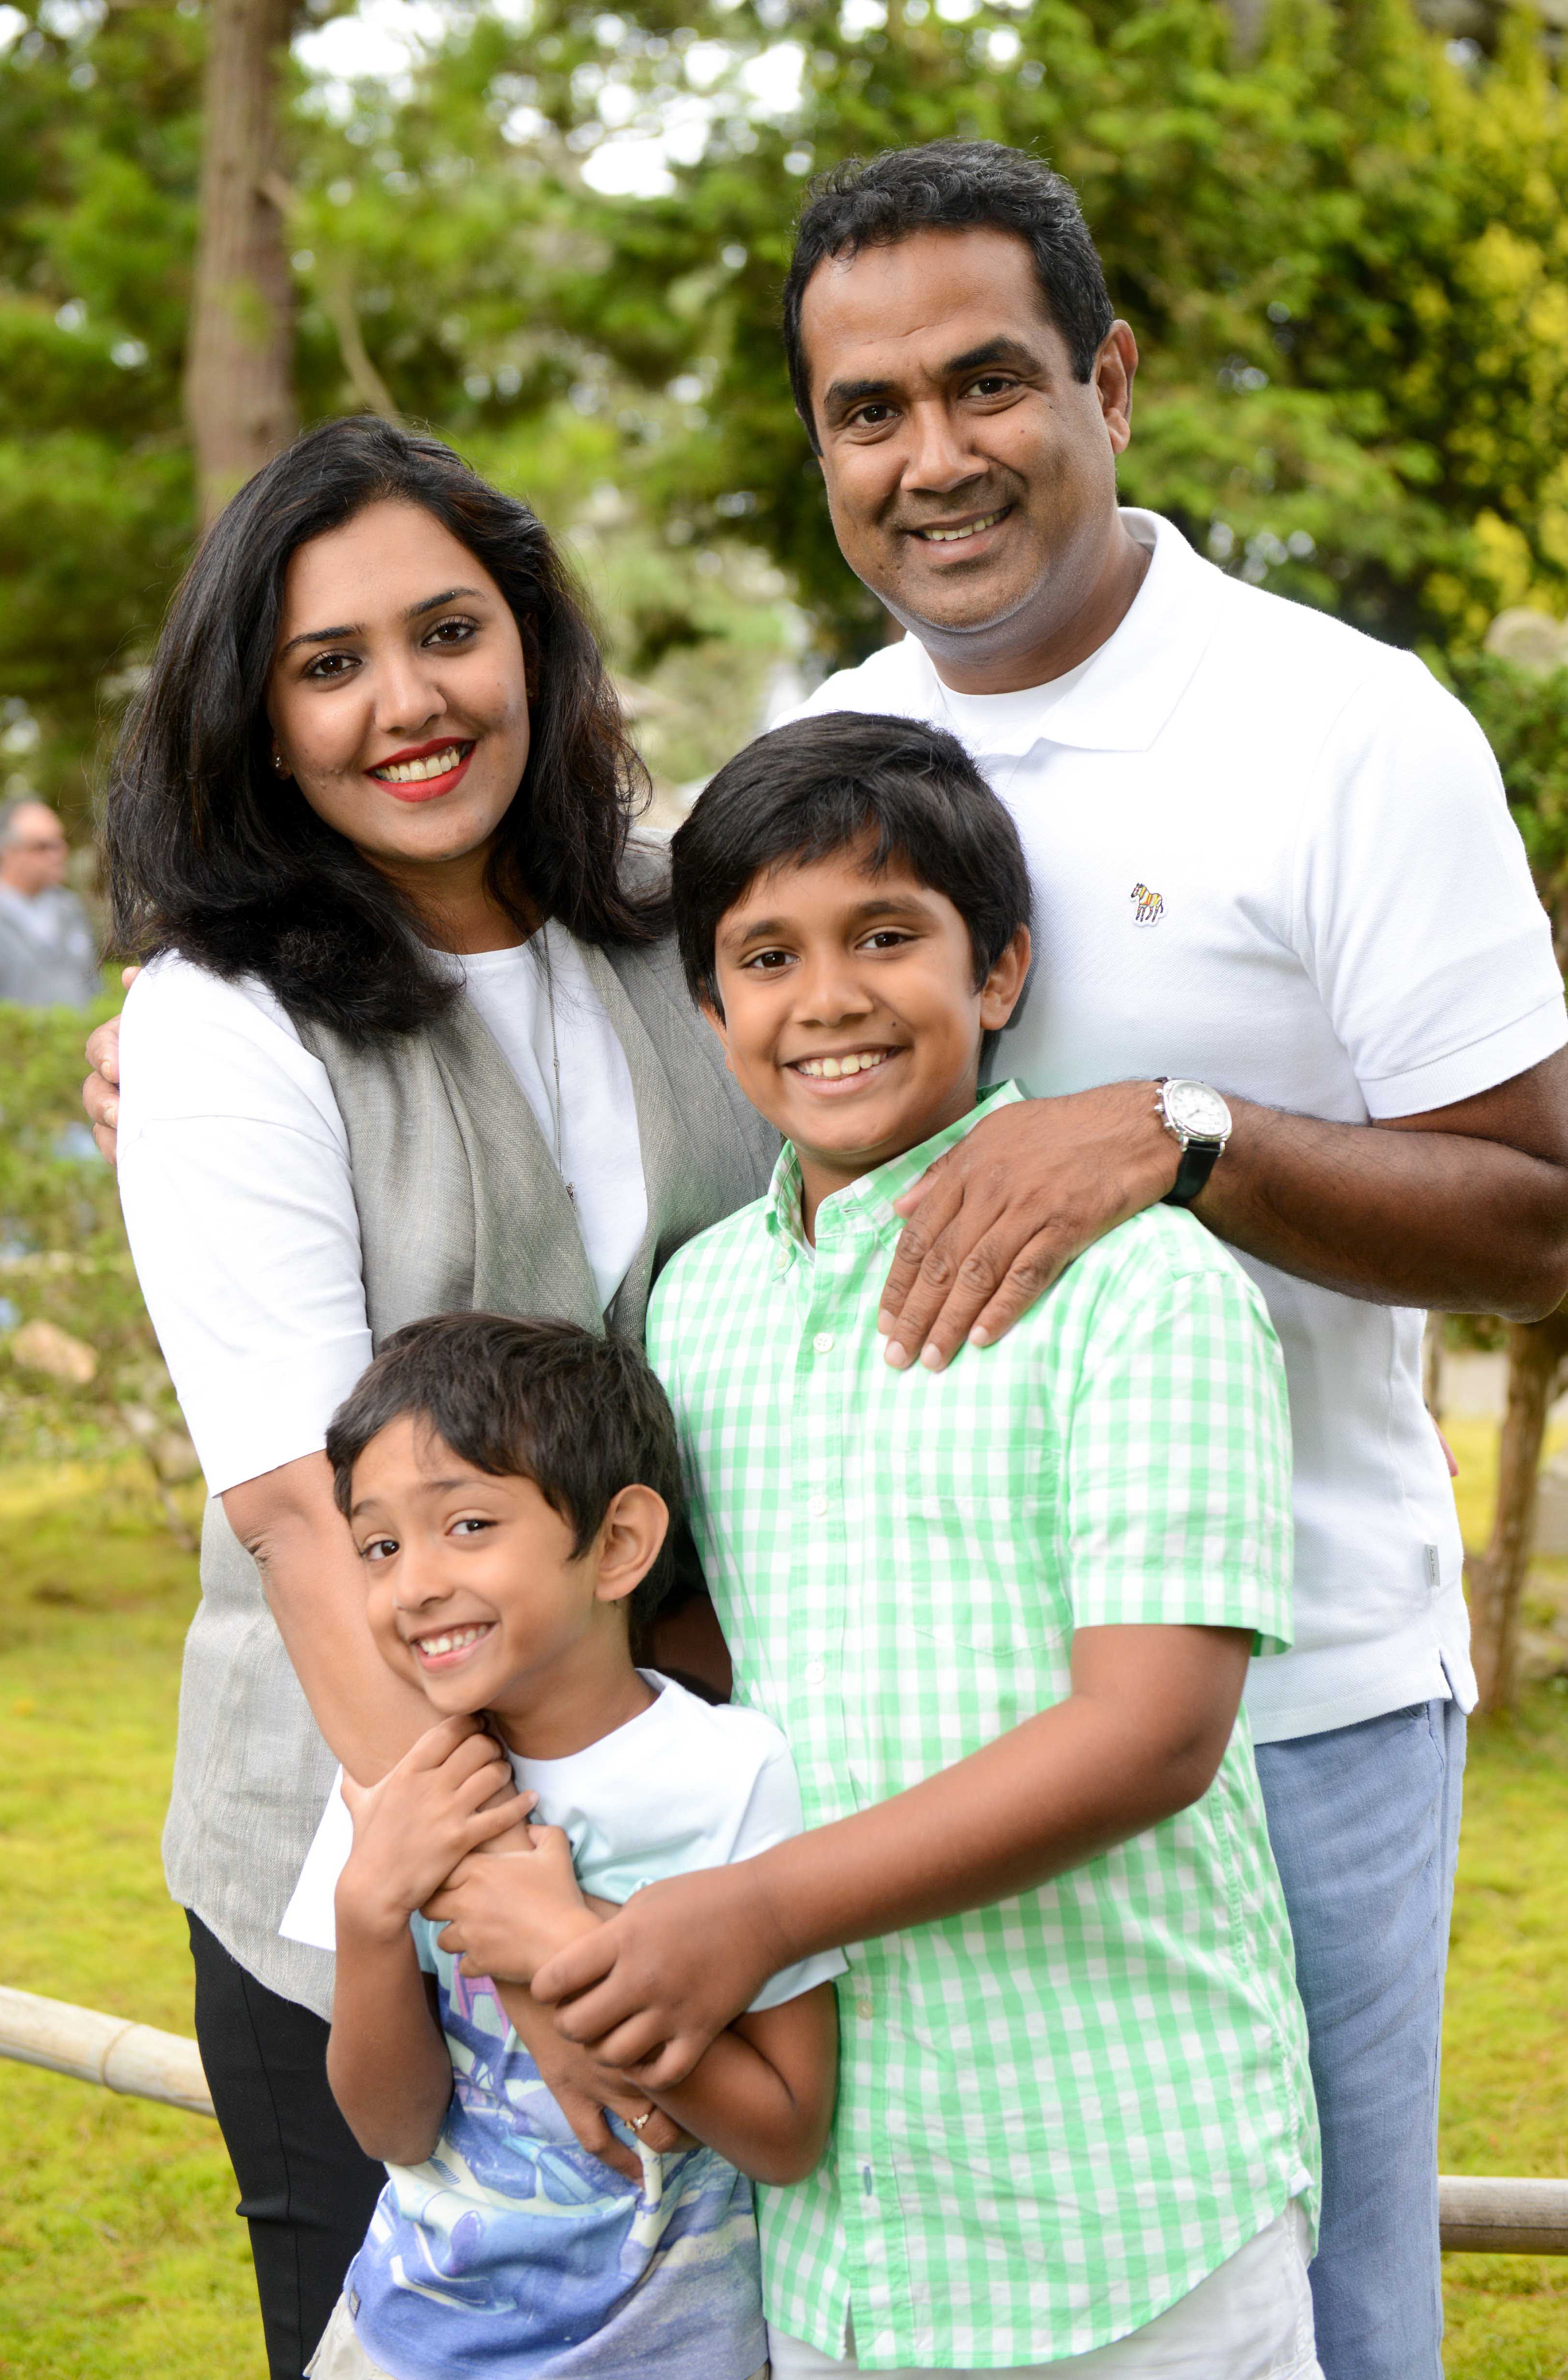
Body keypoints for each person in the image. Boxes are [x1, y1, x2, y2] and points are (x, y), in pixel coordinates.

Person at [92, 413, 1032, 2380]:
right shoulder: (219, 1020)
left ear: (532, 641)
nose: (405, 703)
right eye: (326, 666)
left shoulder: (669, 909)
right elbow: (291, 1510)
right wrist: (513, 1924)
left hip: (710, 1826)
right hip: (379, 1875)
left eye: (449, 631)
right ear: (255, 723)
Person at [759, 142, 1568, 2379]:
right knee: (943, 2307)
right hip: (900, 1737)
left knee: (1311, 2312)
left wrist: (1186, 1135)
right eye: (865, 409)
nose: (932, 458)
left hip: (1285, 1718)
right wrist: (228, 1022)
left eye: (986, 383)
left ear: (1109, 383)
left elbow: (1539, 1215)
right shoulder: (807, 753)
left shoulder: (1346, 729)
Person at [465, 711, 1321, 2379]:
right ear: (708, 1009)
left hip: (1120, 2189)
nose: (827, 997)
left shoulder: (1140, 1286)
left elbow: (1151, 1733)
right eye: (763, 955)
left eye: (883, 934)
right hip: (838, 2215)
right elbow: (694, 1642)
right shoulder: (698, 1301)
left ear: (994, 970)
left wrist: (751, 1910)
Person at [293, 1312, 838, 2380]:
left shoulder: (730, 1777)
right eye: (380, 1547)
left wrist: (567, 1954)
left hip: (664, 2353)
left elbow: (784, 2132)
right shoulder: (397, 1789)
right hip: (406, 2342)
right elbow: (393, 2130)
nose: (412, 1586)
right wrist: (366, 1914)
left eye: (467, 1526)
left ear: (619, 1544)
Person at [0, 794, 101, 1005]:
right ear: (6, 852)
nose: (59, 854)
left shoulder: (69, 907)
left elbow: (94, 987)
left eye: (62, 842)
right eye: (43, 847)